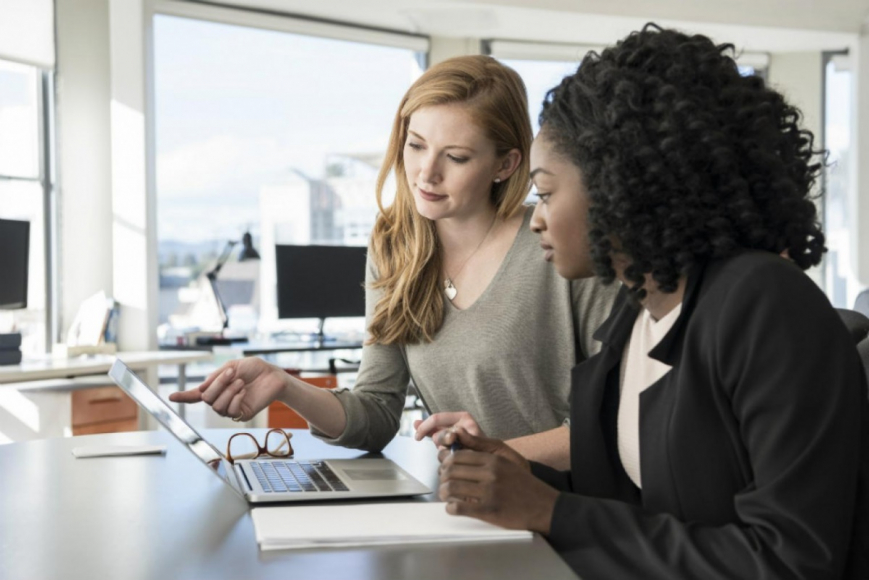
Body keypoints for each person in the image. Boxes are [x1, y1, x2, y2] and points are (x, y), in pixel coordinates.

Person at [434, 24, 869, 578]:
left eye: (545, 193)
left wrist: (551, 510)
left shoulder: (764, 303)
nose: (535, 218)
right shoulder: (636, 312)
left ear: (622, 184)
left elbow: (792, 560)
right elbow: (629, 499)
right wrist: (517, 474)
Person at [170, 55, 617, 466]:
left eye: (456, 157)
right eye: (416, 145)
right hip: (473, 502)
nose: (426, 172)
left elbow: (617, 423)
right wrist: (285, 386)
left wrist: (496, 455)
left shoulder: (561, 244)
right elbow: (377, 412)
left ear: (506, 164)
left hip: (570, 510)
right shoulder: (394, 249)